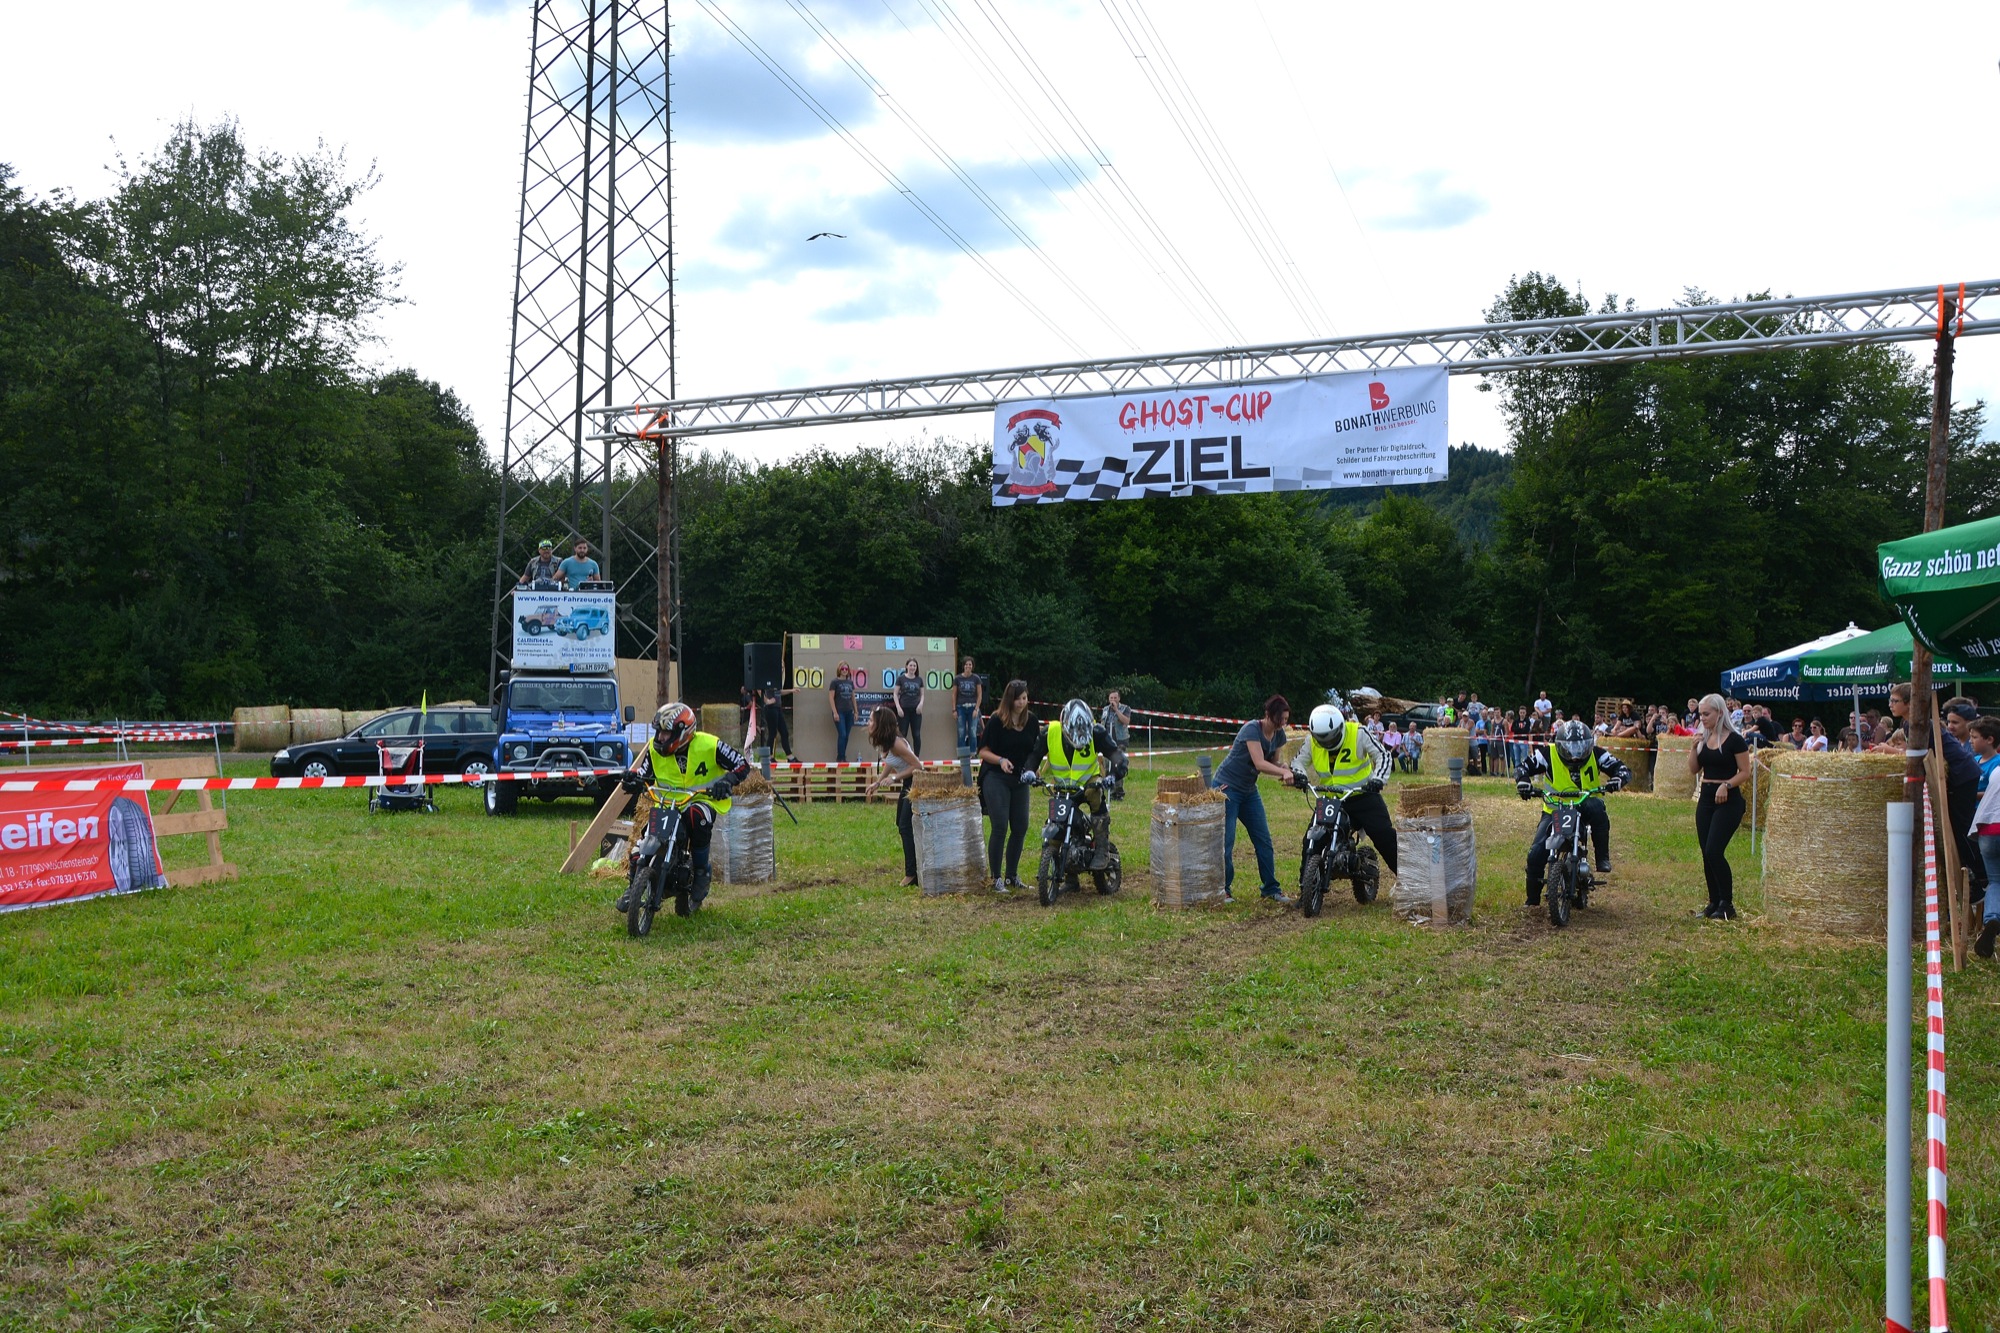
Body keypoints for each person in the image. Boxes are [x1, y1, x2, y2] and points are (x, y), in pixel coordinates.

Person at [615, 702, 750, 914]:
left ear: (683, 732)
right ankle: (633, 886)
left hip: (701, 799)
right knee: (645, 840)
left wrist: (727, 781)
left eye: (666, 733)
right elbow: (644, 774)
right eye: (659, 732)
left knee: (697, 817)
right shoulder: (653, 748)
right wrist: (633, 780)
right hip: (667, 803)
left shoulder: (710, 744)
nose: (660, 738)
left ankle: (701, 872)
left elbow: (742, 764)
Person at [1515, 717, 1630, 906]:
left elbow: (1622, 768)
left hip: (1586, 805)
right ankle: (1532, 899)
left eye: (1580, 748)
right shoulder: (1547, 753)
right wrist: (1523, 782)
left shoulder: (1597, 754)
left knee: (1599, 810)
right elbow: (1522, 767)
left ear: (1589, 745)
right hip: (1555, 808)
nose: (1575, 755)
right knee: (1536, 853)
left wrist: (1618, 779)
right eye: (1570, 749)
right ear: (1560, 745)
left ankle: (1602, 858)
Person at [1290, 698, 1398, 875]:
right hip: (1331, 800)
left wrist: (1378, 779)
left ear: (1340, 727)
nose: (1327, 743)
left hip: (1363, 796)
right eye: (1322, 739)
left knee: (1385, 838)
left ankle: (1411, 883)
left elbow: (1383, 755)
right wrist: (1299, 775)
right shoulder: (1311, 741)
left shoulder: (1359, 733)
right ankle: (1307, 886)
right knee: (1311, 841)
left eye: (1330, 737)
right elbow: (1297, 762)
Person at [1211, 695, 1295, 903]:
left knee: (1263, 839)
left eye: (1286, 719)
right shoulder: (1251, 730)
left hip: (1249, 791)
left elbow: (1273, 761)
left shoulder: (1279, 735)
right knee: (1226, 842)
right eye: (1281, 718)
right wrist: (1282, 772)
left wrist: (1283, 767)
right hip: (1227, 788)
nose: (1283, 723)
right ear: (1269, 715)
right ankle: (1223, 889)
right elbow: (1259, 763)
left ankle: (1270, 888)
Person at [1022, 698, 1122, 871]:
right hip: (1062, 786)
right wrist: (1030, 771)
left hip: (1088, 781)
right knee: (1056, 825)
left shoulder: (1097, 732)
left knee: (1095, 795)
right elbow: (1034, 755)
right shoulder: (1050, 732)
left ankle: (1102, 849)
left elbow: (1117, 756)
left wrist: (1113, 776)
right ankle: (1067, 872)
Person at [1688, 692, 1751, 919]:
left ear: (1720, 712)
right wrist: (1693, 748)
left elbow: (1745, 771)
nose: (1702, 718)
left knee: (1714, 850)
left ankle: (1727, 904)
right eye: (1701, 714)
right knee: (1706, 852)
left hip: (1728, 801)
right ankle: (1713, 902)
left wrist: (1727, 784)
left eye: (1707, 714)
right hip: (1706, 799)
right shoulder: (1703, 738)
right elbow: (1694, 769)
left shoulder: (1734, 740)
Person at [977, 680, 1037, 894]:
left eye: (1024, 698)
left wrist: (1033, 768)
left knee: (1020, 826)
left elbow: (1034, 751)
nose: (1022, 702)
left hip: (1020, 779)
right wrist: (1001, 760)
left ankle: (1012, 875)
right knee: (1000, 826)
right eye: (1018, 699)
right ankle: (996, 878)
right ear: (1009, 700)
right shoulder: (996, 720)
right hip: (996, 776)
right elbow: (983, 751)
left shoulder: (1032, 721)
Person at [864, 706, 922, 887]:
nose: (868, 723)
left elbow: (918, 766)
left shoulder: (897, 743)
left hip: (916, 783)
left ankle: (912, 874)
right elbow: (890, 763)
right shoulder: (886, 742)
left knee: (905, 826)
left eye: (871, 720)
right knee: (902, 824)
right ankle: (916, 868)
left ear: (881, 724)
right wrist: (877, 782)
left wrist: (895, 778)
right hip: (908, 783)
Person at [1099, 690, 1133, 800]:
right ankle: (1110, 790)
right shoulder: (1105, 710)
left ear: (1119, 699)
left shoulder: (1125, 708)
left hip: (1120, 741)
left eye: (1115, 698)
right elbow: (1102, 724)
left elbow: (1126, 721)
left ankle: (1119, 792)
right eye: (1111, 698)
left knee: (1117, 766)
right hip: (1107, 741)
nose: (1113, 700)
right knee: (1107, 765)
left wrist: (1117, 710)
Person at [893, 658, 924, 756]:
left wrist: (920, 704)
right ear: (906, 666)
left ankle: (916, 757)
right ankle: (902, 756)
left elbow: (922, 694)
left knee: (916, 735)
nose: (912, 667)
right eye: (911, 665)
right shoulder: (901, 679)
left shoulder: (919, 680)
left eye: (914, 666)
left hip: (916, 711)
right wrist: (898, 708)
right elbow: (895, 694)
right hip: (904, 710)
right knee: (902, 734)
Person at [828, 663, 859, 763]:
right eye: (842, 668)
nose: (844, 670)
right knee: (842, 734)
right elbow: (831, 698)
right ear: (839, 670)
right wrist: (835, 712)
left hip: (849, 712)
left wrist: (856, 711)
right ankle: (840, 757)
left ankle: (842, 757)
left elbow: (853, 697)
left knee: (847, 735)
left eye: (846, 668)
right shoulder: (834, 682)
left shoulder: (850, 682)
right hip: (839, 711)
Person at [954, 658, 984, 754]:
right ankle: (961, 755)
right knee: (961, 732)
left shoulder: (976, 678)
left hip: (973, 707)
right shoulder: (957, 678)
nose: (968, 666)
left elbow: (980, 695)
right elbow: (954, 695)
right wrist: (954, 710)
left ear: (972, 666)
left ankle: (973, 754)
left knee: (972, 731)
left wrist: (976, 709)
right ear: (963, 666)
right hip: (960, 707)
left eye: (970, 664)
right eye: (966, 664)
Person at [758, 681, 794, 759]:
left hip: (778, 708)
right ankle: (769, 756)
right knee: (772, 733)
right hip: (771, 708)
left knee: (784, 732)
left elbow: (779, 692)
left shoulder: (776, 680)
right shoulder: (768, 679)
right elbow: (758, 689)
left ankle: (789, 756)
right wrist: (767, 700)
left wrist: (791, 691)